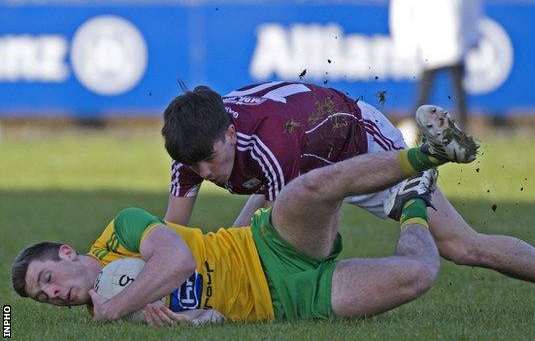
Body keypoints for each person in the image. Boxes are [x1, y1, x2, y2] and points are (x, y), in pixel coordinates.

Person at [162, 86, 535, 317]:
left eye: (210, 160)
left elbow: (277, 241)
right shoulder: (193, 145)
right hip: (310, 162)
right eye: (194, 166)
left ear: (230, 132)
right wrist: (152, 293)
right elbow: (171, 236)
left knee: (463, 247)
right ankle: (423, 162)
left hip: (363, 147)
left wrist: (216, 297)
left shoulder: (270, 144)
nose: (204, 173)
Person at [11, 118, 477, 324]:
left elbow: (176, 260)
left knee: (310, 187)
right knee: (417, 275)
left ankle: (423, 154)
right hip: (290, 303)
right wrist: (190, 322)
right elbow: (210, 315)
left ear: (67, 253)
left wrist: (117, 309)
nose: (53, 294)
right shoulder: (106, 313)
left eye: (47, 278)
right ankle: (416, 202)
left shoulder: (121, 231)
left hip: (263, 246)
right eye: (43, 296)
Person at [389, 0, 481, 129]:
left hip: (455, 42)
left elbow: (471, 8)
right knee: (425, 89)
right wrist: (407, 44)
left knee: (458, 90)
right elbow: (402, 10)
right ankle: (417, 128)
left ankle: (463, 128)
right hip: (428, 43)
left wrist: (472, 36)